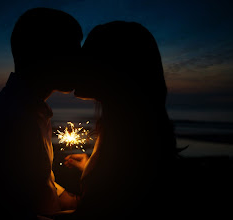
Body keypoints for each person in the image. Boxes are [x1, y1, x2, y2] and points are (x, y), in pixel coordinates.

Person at [0, 8, 82, 218]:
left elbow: (39, 184)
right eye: (73, 50)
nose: (79, 61)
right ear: (48, 53)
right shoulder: (15, 120)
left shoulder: (30, 110)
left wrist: (74, 200)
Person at [64, 21, 177, 219]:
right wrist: (90, 166)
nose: (76, 64)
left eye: (87, 56)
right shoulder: (124, 129)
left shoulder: (134, 143)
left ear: (111, 65)